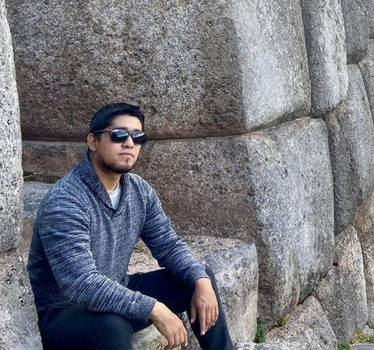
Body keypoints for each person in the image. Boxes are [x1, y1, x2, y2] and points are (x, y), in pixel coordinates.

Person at [28, 102, 233, 350]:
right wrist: (153, 307)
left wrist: (200, 279)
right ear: (93, 142)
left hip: (114, 292)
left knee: (197, 278)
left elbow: (168, 245)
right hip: (62, 315)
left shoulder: (139, 191)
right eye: (118, 135)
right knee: (112, 325)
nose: (129, 143)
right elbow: (81, 284)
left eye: (137, 137)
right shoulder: (65, 200)